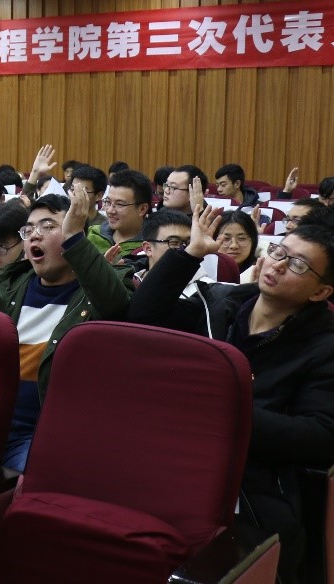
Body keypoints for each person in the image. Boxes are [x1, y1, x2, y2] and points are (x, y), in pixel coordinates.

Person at [128, 200, 334, 583]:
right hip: (175, 456)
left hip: (251, 481)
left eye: (298, 265)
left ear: (321, 292)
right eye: (278, 252)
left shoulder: (323, 346)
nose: (277, 265)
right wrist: (191, 253)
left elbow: (320, 435)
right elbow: (144, 316)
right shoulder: (220, 304)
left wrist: (225, 414)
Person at [0, 187, 132, 471]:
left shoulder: (95, 291)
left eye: (48, 226)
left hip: (42, 434)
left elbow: (116, 306)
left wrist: (74, 238)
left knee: (41, 472)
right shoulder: (8, 285)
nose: (34, 235)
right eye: (28, 230)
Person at [87, 169, 151, 257]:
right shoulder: (93, 235)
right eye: (108, 202)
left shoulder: (152, 246)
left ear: (142, 209)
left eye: (120, 204)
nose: (110, 211)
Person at [215, 209, 259, 276]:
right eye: (226, 239)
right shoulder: (202, 271)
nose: (234, 246)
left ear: (253, 241)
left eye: (242, 238)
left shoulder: (261, 273)